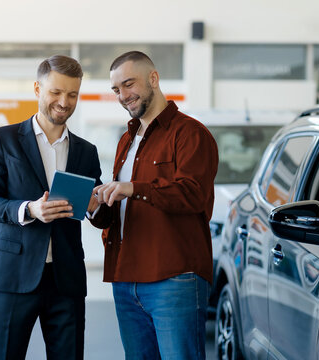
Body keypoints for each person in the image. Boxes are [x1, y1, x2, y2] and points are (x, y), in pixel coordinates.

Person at [90, 51, 218, 360]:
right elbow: (120, 210)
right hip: (125, 280)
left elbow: (192, 194)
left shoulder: (190, 134)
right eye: (116, 90)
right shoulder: (126, 140)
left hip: (174, 279)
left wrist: (134, 188)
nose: (123, 95)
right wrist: (95, 205)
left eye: (128, 84)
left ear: (153, 78)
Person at [0, 55, 102, 360]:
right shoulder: (3, 140)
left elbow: (100, 213)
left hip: (66, 280)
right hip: (14, 277)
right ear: (37, 88)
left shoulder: (86, 152)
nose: (64, 102)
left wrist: (96, 205)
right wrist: (29, 209)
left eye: (72, 94)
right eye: (56, 92)